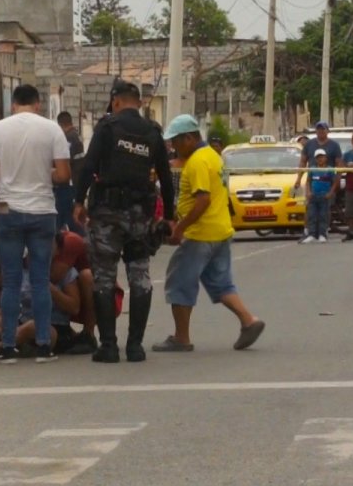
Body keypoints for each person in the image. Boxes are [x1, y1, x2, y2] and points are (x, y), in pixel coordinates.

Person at [74, 79, 174, 363]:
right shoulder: (152, 131)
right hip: (141, 216)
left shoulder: (107, 127)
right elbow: (166, 179)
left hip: (106, 214)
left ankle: (108, 346)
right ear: (140, 103)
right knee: (139, 276)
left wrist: (79, 202)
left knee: (104, 277)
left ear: (116, 101)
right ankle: (135, 347)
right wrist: (169, 217)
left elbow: (89, 166)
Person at [154, 114, 264, 353]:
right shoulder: (213, 156)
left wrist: (180, 228)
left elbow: (202, 199)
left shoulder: (198, 161)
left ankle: (181, 337)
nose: (173, 146)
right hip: (221, 230)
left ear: (190, 138)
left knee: (179, 283)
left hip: (200, 234)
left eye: (176, 141)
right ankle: (249, 320)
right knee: (221, 284)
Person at [0, 84, 71, 364]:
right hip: (43, 212)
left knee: (10, 282)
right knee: (40, 281)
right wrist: (44, 171)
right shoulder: (52, 130)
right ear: (38, 104)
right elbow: (64, 175)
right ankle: (44, 346)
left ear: (13, 105)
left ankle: (8, 347)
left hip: (8, 211)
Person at [55, 111, 86, 237]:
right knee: (67, 216)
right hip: (75, 182)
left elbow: (64, 160)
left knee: (66, 215)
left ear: (60, 124)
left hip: (69, 183)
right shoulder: (76, 135)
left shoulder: (68, 138)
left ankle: (80, 242)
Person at [301, 149, 336, 244]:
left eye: (322, 157)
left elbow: (334, 183)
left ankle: (322, 234)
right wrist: (308, 192)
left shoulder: (330, 169)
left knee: (323, 215)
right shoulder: (312, 169)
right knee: (312, 215)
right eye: (318, 157)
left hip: (324, 196)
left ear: (326, 158)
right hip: (313, 196)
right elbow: (308, 181)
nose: (320, 159)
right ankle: (311, 234)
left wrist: (330, 193)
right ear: (315, 159)